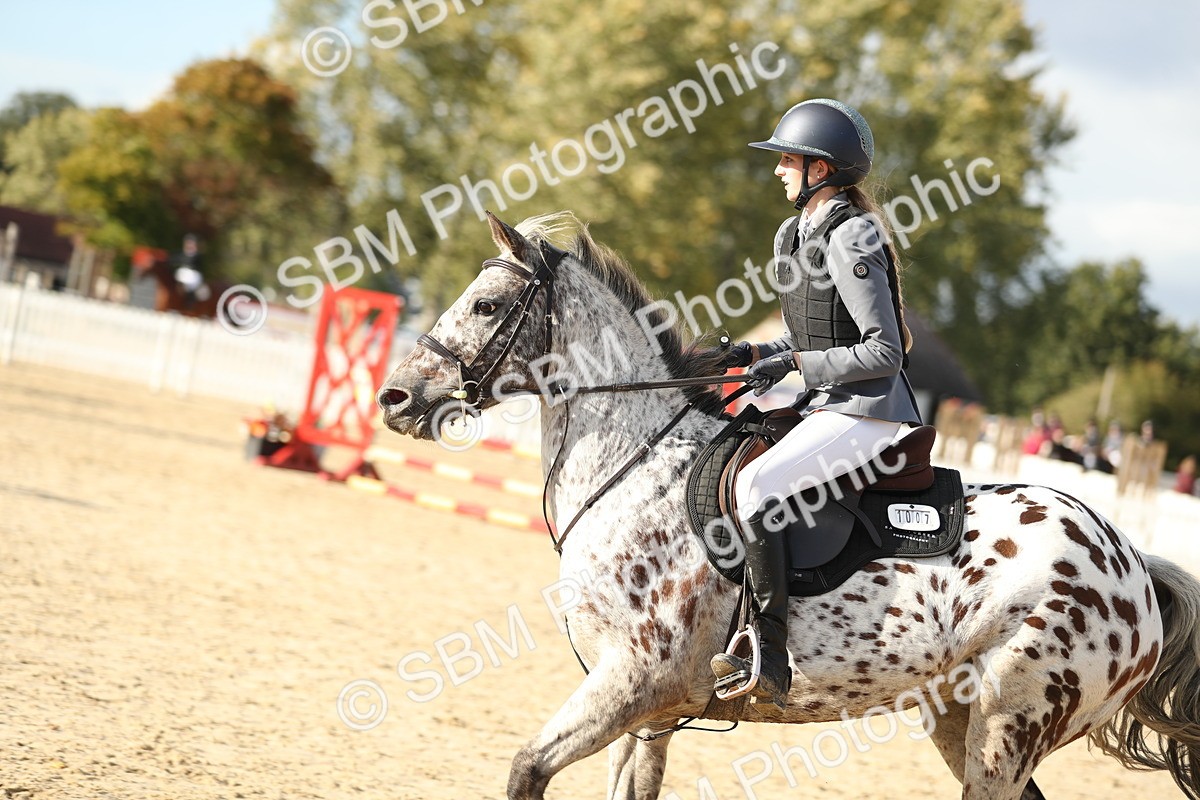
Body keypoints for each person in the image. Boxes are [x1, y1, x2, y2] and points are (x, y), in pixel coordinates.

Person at [707, 99, 922, 710]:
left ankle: (769, 658)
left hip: (869, 411)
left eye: (788, 159)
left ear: (820, 169)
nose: (778, 169)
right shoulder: (796, 232)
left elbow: (884, 351)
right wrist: (756, 353)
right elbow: (812, 336)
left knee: (755, 487)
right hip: (830, 402)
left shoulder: (852, 233)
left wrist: (800, 365)